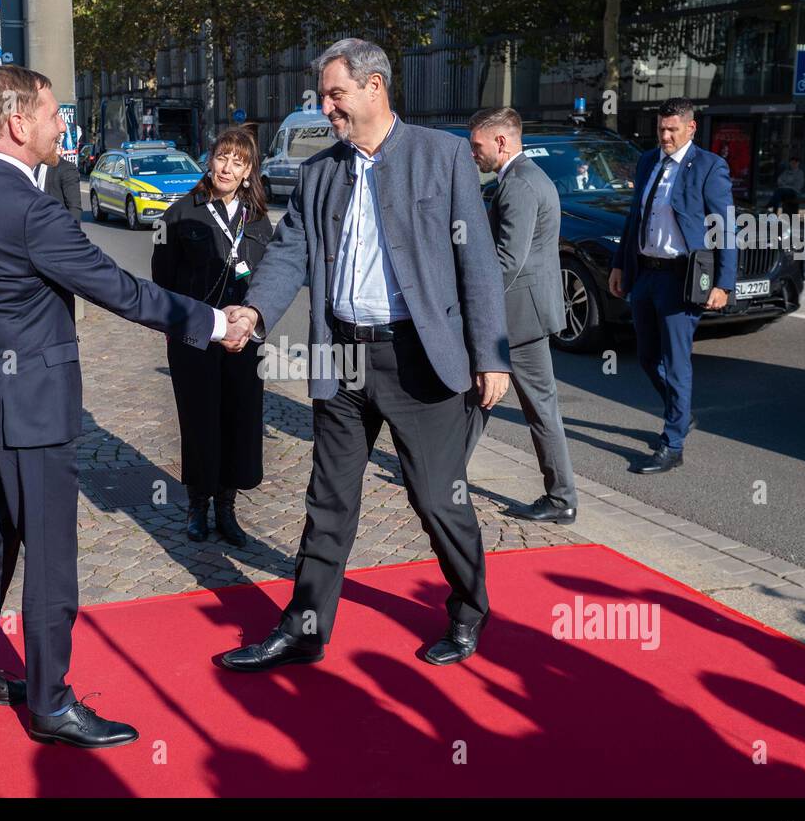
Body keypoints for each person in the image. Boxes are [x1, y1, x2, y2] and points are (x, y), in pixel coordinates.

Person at [0, 64, 246, 749]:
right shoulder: (30, 208)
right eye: (52, 114)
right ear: (19, 122)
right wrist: (214, 324)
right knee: (51, 558)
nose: (60, 126)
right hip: (34, 410)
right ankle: (50, 703)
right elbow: (119, 288)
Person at [219, 38, 511, 672]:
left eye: (335, 94)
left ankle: (468, 611)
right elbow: (290, 251)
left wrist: (491, 354)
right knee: (328, 501)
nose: (327, 107)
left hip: (418, 360)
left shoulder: (443, 156)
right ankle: (305, 629)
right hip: (342, 354)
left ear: (375, 87)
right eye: (325, 97)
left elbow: (479, 265)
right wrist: (256, 310)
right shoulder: (321, 170)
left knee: (438, 498)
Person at [152, 127, 273, 547]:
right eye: (223, 157)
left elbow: (269, 278)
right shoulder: (182, 212)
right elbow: (163, 281)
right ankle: (197, 506)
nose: (227, 167)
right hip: (197, 342)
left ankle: (227, 506)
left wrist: (253, 323)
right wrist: (177, 327)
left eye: (238, 162)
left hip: (244, 341)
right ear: (210, 159)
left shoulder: (257, 217)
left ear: (248, 172)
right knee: (200, 422)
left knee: (238, 422)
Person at [607, 97, 735, 474]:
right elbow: (633, 219)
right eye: (661, 129)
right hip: (645, 273)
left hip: (683, 278)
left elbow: (724, 228)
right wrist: (619, 266)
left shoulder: (710, 167)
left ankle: (673, 442)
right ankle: (680, 412)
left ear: (690, 128)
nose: (664, 136)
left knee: (677, 362)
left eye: (672, 130)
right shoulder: (648, 161)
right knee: (647, 356)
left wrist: (723, 283)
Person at [466, 107, 578, 524]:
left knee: (534, 408)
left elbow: (507, 260)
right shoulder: (523, 178)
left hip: (519, 318)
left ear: (500, 141)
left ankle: (562, 498)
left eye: (477, 145)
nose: (472, 152)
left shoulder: (519, 185)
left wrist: (472, 298)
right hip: (523, 313)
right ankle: (445, 474)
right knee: (477, 395)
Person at [36, 146, 81, 219]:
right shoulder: (35, 166)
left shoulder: (66, 168)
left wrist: (71, 229)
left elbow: (74, 207)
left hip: (57, 224)